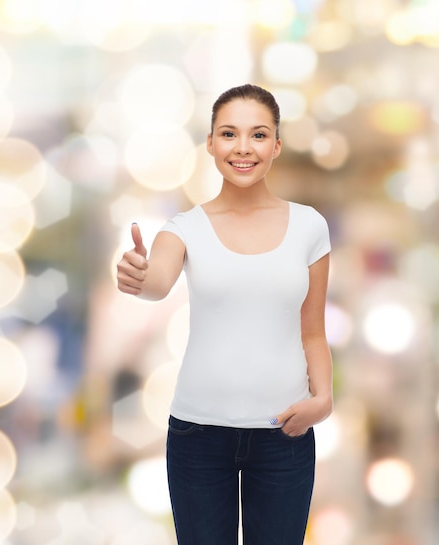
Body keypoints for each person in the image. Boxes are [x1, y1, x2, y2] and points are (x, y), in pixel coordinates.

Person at [116, 83, 333, 545]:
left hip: (285, 434)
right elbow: (156, 282)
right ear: (211, 144)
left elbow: (312, 330)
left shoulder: (310, 227)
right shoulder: (185, 229)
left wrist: (324, 397)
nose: (243, 148)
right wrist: (137, 276)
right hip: (198, 436)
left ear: (276, 145)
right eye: (229, 134)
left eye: (258, 135)